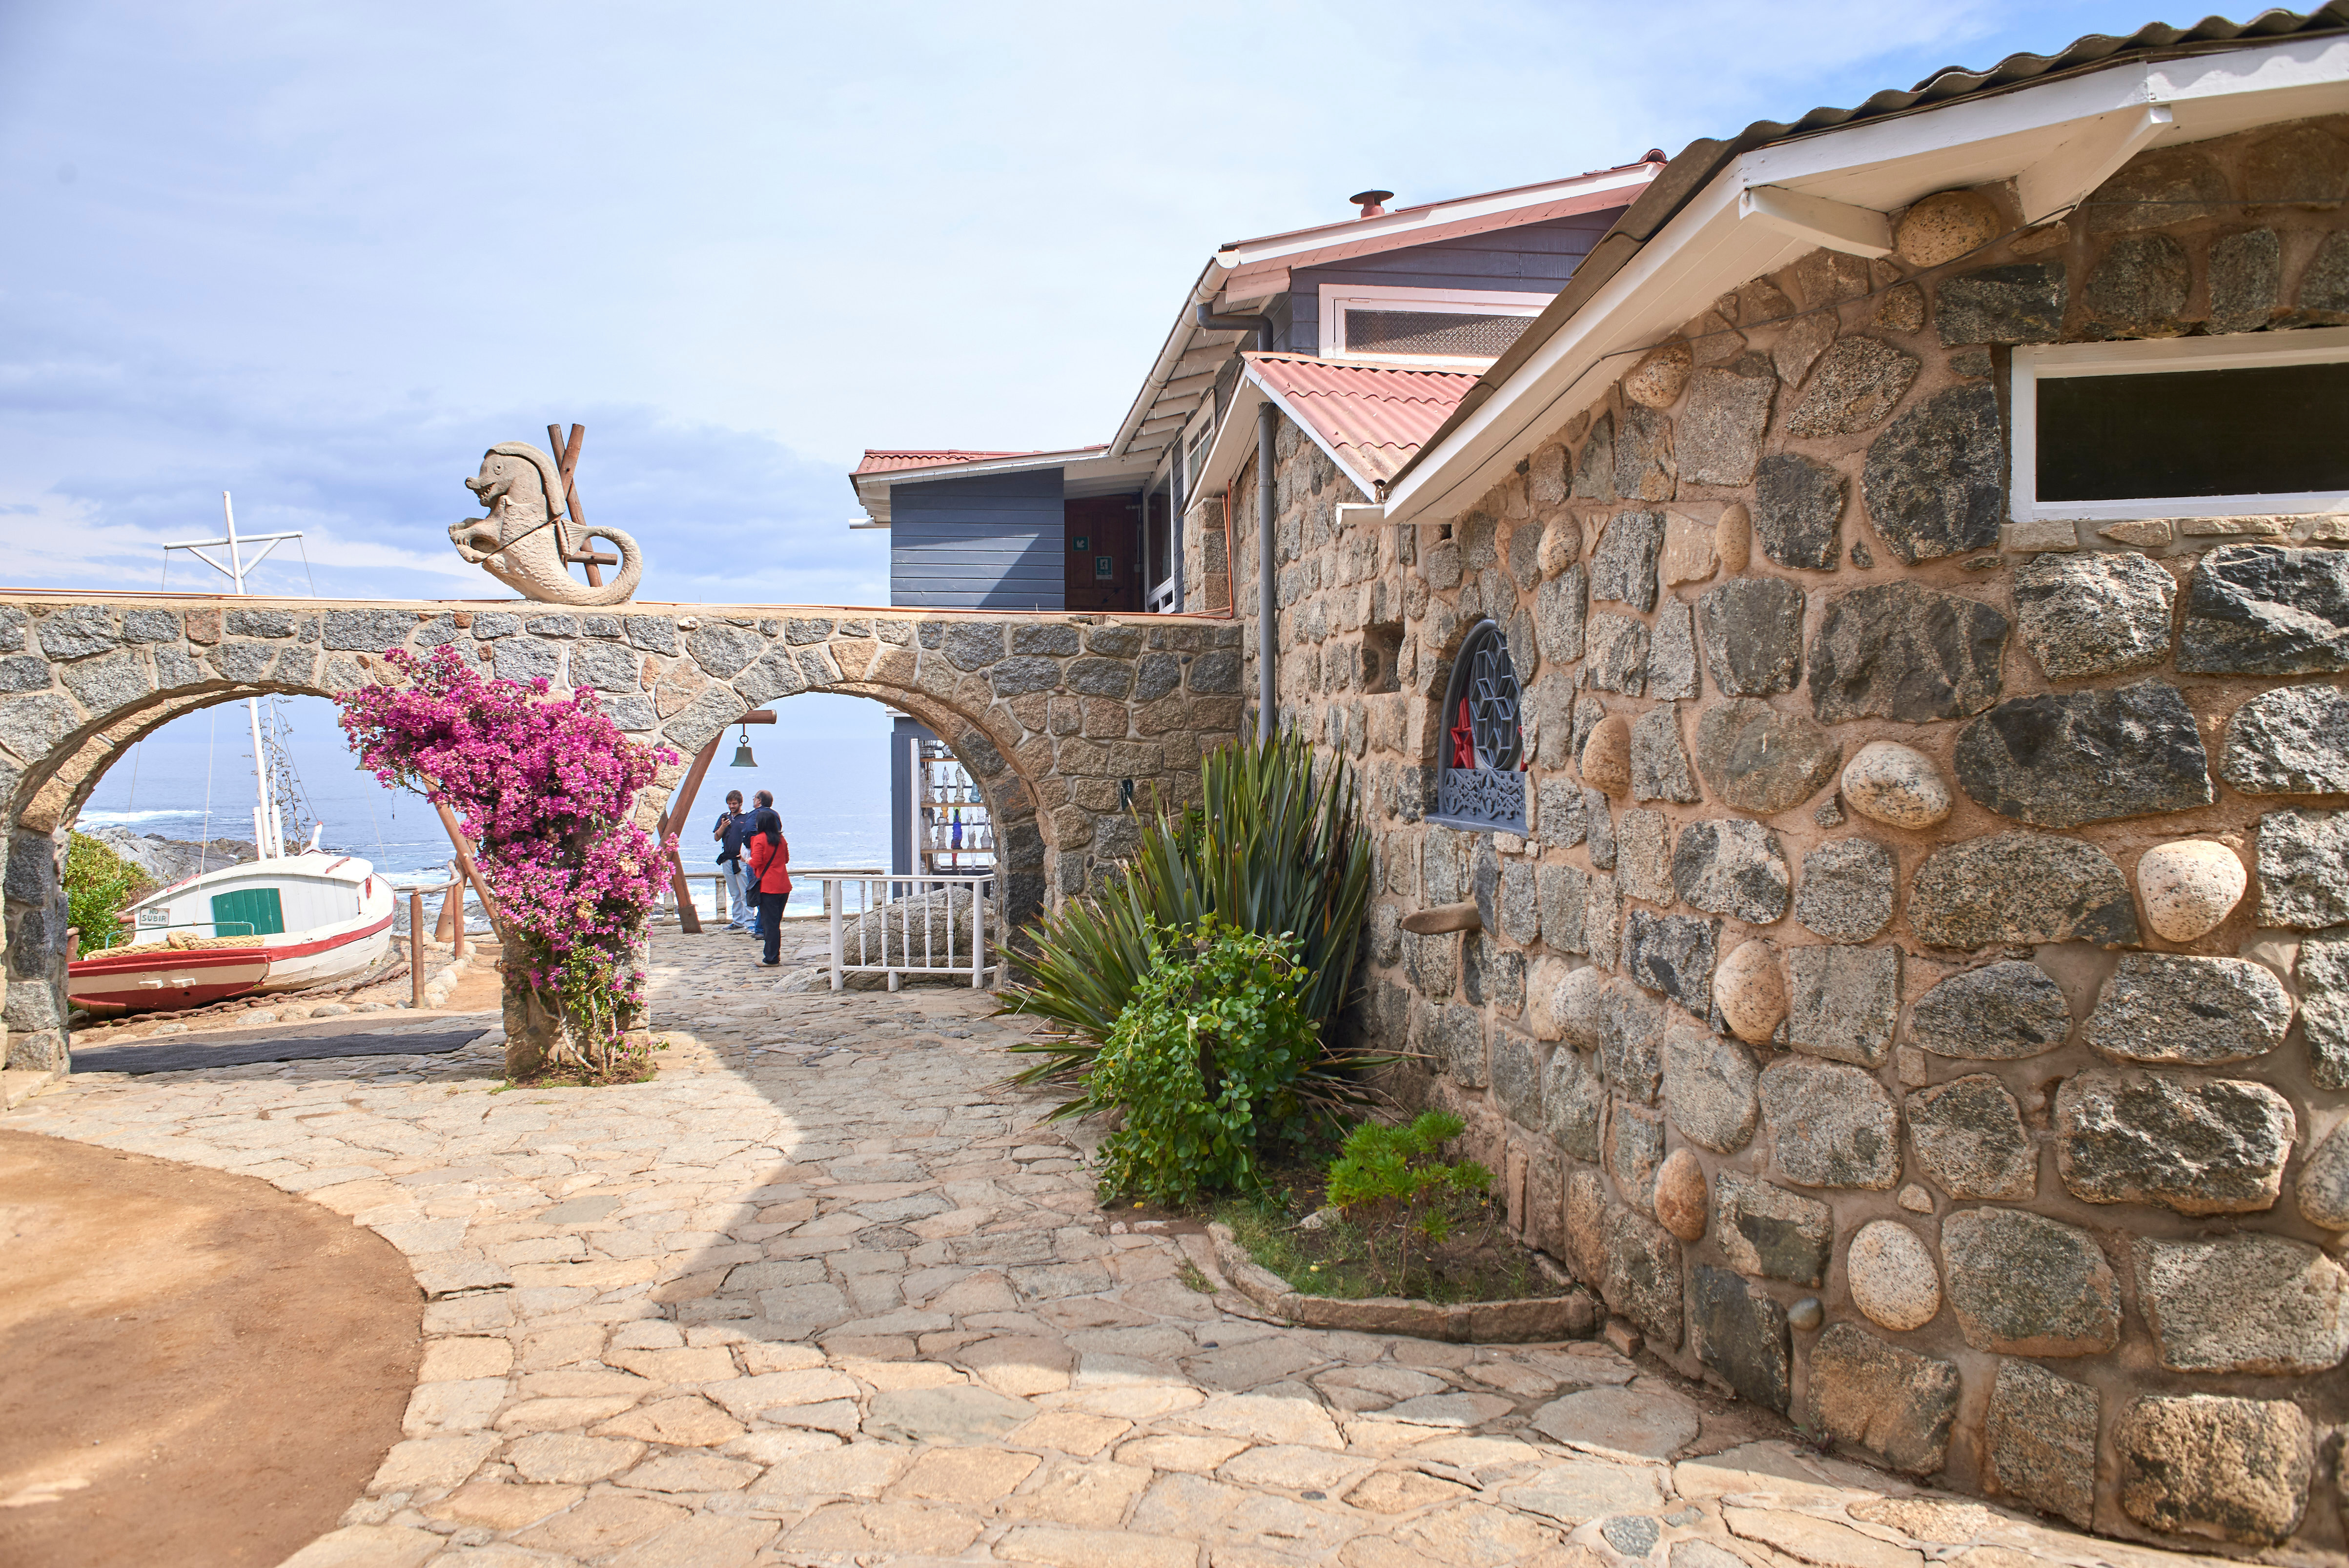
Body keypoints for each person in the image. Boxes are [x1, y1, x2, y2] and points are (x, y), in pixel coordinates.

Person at [745, 789, 792, 966]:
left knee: (769, 924)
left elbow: (756, 862)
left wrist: (746, 859)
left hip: (768, 887)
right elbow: (786, 859)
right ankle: (774, 955)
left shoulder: (759, 840)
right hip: (783, 886)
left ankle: (771, 958)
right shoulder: (782, 840)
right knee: (775, 923)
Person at [712, 790, 757, 935]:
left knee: (746, 892)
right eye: (730, 804)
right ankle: (738, 921)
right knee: (735, 893)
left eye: (734, 804)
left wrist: (746, 854)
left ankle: (750, 922)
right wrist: (723, 826)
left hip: (742, 860)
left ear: (740, 803)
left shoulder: (748, 817)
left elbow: (752, 837)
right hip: (727, 859)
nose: (732, 806)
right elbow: (717, 837)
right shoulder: (724, 818)